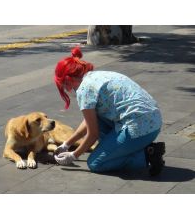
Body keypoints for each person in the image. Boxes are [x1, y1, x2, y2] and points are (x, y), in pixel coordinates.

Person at [53, 46, 165, 176]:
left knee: (96, 163)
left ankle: (147, 155)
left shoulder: (84, 91)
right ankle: (129, 148)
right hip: (153, 121)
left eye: (62, 85)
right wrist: (67, 144)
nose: (65, 89)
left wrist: (73, 155)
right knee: (98, 121)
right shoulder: (96, 76)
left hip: (140, 129)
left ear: (67, 80)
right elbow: (90, 121)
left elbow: (93, 134)